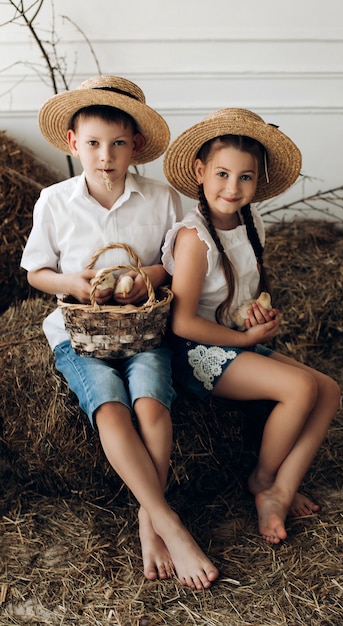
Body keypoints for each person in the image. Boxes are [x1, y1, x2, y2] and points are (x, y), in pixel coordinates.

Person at [20, 75, 219, 590]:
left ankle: (145, 518)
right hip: (79, 332)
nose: (104, 155)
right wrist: (72, 282)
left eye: (118, 144)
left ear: (139, 146)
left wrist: (142, 281)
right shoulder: (54, 201)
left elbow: (175, 263)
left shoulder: (163, 199)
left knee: (151, 402)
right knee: (109, 404)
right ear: (72, 143)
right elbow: (36, 271)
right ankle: (167, 519)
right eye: (92, 143)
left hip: (143, 331)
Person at [162, 108, 341, 545]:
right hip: (194, 353)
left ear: (257, 181)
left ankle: (282, 487)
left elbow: (243, 296)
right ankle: (263, 481)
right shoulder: (194, 239)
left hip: (233, 341)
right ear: (200, 171)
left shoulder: (250, 222)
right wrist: (244, 338)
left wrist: (258, 317)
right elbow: (183, 322)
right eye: (222, 173)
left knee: (329, 390)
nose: (233, 187)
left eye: (246, 177)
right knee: (300, 389)